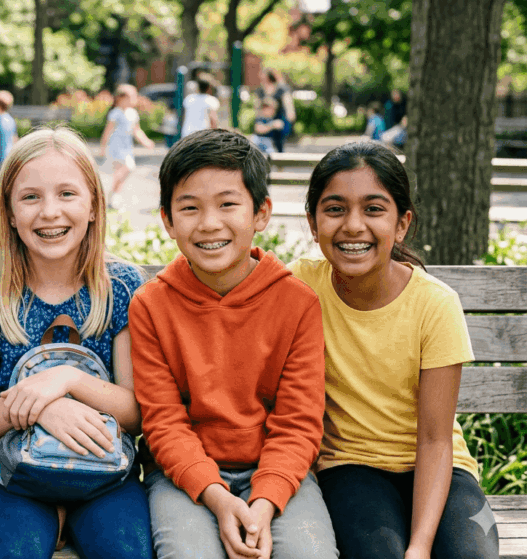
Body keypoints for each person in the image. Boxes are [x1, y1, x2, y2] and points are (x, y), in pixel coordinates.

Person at [130, 128, 337, 559]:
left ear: (261, 213)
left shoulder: (296, 303)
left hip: (278, 472)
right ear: (167, 220)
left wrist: (264, 502)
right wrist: (218, 498)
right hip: (183, 477)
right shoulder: (151, 305)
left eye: (228, 204)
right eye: (189, 208)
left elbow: (298, 423)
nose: (209, 223)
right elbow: (164, 422)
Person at [290, 141, 500, 559]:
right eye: (334, 209)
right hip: (350, 467)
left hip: (441, 467)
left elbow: (436, 439)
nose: (353, 225)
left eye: (373, 209)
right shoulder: (300, 286)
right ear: (313, 224)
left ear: (401, 224)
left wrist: (420, 547)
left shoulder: (434, 304)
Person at [0, 127, 153, 559]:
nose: (50, 212)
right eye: (30, 197)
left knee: (128, 552)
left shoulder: (119, 286)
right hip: (9, 474)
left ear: (92, 206)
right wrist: (46, 408)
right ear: (9, 212)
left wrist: (66, 379)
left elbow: (135, 412)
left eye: (67, 194)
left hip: (105, 472)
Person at [99, 84, 156, 209]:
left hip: (126, 148)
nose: (134, 99)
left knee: (122, 173)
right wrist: (103, 147)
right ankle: (113, 195)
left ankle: (113, 197)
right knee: (128, 168)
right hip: (115, 148)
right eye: (131, 96)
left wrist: (146, 142)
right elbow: (107, 132)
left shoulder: (132, 114)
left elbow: (137, 131)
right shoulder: (115, 113)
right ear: (121, 98)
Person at [254, 69, 295, 153]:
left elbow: (289, 106)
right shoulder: (260, 91)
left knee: (278, 135)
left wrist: (290, 116)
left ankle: (279, 156)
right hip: (266, 118)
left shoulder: (281, 90)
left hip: (279, 117)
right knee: (263, 137)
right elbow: (257, 107)